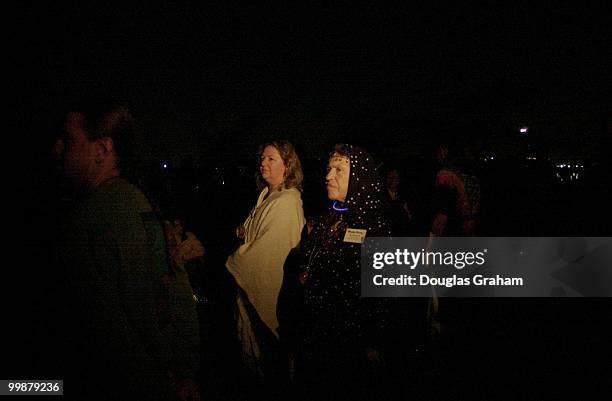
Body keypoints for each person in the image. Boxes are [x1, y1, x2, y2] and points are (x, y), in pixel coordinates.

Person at [53, 98, 200, 401]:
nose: (57, 149)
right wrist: (182, 374)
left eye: (69, 140)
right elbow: (177, 293)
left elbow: (102, 334)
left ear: (102, 149)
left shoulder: (89, 220)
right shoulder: (144, 204)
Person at [292, 144, 392, 400]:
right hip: (318, 335)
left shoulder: (374, 226)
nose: (328, 176)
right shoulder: (330, 218)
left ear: (359, 177)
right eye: (328, 169)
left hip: (350, 343)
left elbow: (381, 291)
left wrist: (373, 342)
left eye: (339, 170)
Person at [225, 140, 305, 391]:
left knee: (270, 359)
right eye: (262, 158)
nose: (263, 163)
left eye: (271, 159)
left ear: (287, 165)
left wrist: (236, 259)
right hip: (250, 294)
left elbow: (269, 251)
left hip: (272, 293)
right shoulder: (267, 195)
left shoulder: (288, 201)